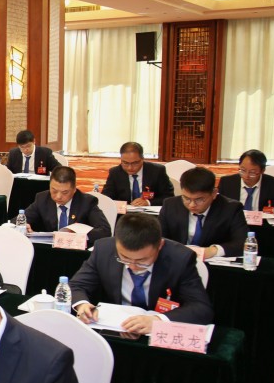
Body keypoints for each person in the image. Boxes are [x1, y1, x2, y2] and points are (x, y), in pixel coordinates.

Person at [69, 213, 213, 333]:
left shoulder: (180, 258)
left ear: (160, 245)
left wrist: (158, 320)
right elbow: (76, 285)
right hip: (115, 329)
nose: (133, 266)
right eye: (124, 258)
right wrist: (83, 305)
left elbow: (201, 308)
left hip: (157, 338)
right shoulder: (104, 249)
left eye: (142, 261)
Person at [159, 167, 248, 258]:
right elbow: (159, 238)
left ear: (214, 193)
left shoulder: (231, 209)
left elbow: (243, 243)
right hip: (177, 259)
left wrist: (214, 250)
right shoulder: (170, 205)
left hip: (213, 262)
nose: (192, 205)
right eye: (186, 198)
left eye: (199, 200)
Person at [24, 166, 111, 246]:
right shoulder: (42, 199)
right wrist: (24, 228)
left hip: (77, 253)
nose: (58, 196)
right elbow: (20, 220)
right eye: (54, 190)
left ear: (74, 189)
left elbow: (105, 231)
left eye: (65, 192)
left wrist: (79, 236)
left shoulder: (87, 202)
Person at [217, 149, 274, 219]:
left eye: (252, 172)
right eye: (243, 170)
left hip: (263, 226)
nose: (246, 176)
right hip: (233, 225)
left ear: (262, 171)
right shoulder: (227, 183)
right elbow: (217, 207)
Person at [101, 142, 173, 207]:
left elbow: (168, 197)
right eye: (125, 163)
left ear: (142, 159)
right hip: (124, 214)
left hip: (150, 213)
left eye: (135, 163)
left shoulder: (157, 171)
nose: (130, 167)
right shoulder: (115, 172)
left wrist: (148, 202)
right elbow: (106, 197)